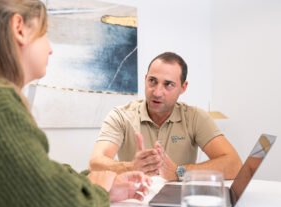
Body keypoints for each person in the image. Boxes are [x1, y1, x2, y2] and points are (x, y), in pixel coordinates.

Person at [0, 1, 151, 207]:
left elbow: (36, 174)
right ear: (19, 29)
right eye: (45, 33)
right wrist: (98, 188)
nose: (50, 48)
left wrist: (94, 180)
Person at [89, 52, 243, 181]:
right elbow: (95, 163)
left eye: (168, 84)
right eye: (152, 81)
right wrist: (131, 167)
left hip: (179, 203)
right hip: (134, 200)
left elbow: (234, 165)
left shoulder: (195, 117)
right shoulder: (120, 116)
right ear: (145, 79)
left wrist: (179, 172)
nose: (157, 92)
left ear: (183, 87)